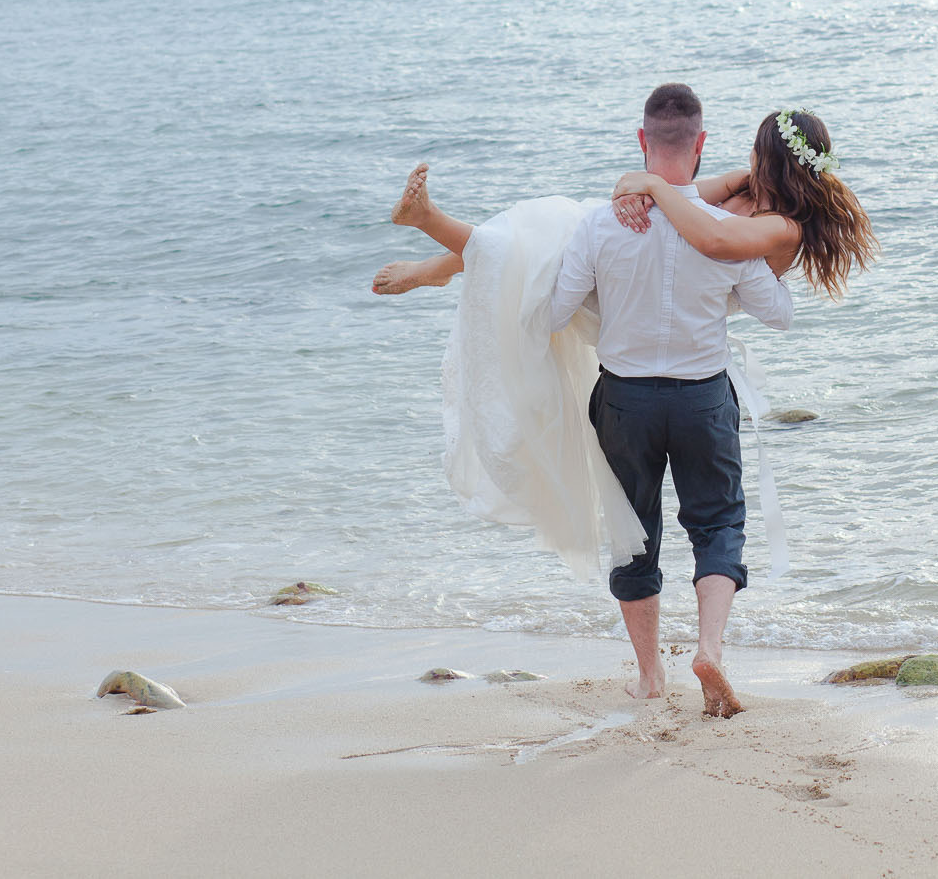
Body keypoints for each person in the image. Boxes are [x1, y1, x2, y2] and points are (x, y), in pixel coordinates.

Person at [375, 88, 877, 716]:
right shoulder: (739, 228)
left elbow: (553, 311)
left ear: (645, 143)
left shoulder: (612, 220)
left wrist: (598, 297)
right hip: (700, 400)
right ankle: (710, 651)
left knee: (633, 536)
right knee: (718, 524)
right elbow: (777, 315)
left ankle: (649, 677)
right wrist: (740, 285)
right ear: (700, 146)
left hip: (624, 400)